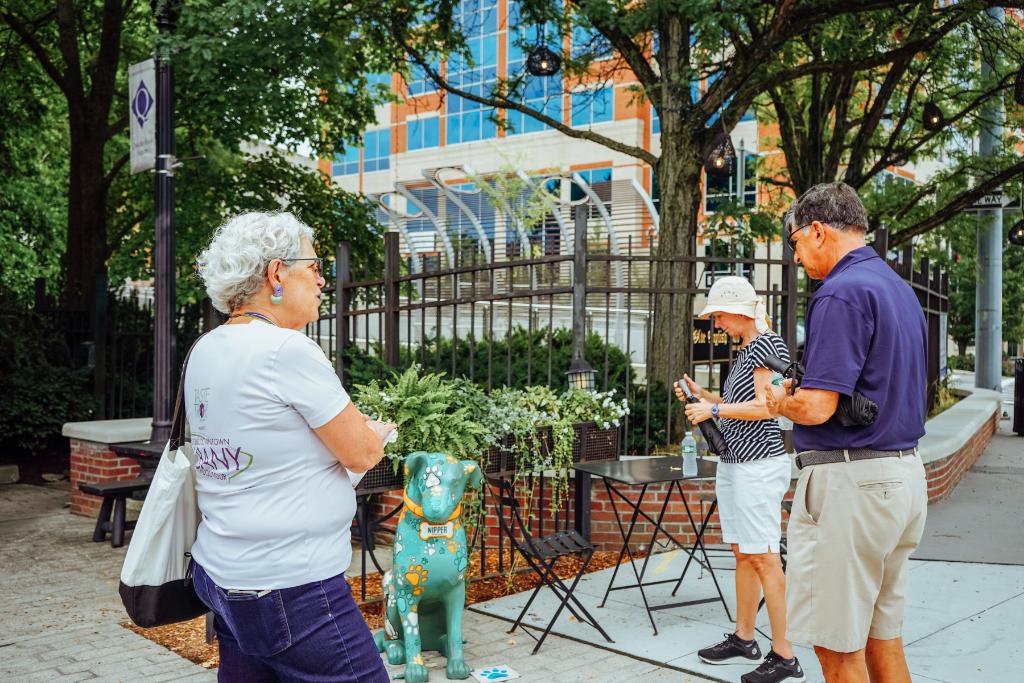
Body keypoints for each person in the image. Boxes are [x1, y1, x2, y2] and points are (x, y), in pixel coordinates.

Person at [186, 211, 395, 682]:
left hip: (222, 577)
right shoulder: (286, 350)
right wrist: (374, 432)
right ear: (277, 273)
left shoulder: (207, 347)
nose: (323, 280)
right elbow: (361, 453)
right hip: (294, 589)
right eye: (316, 268)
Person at [765, 183, 927, 683]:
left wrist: (778, 398)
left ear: (817, 230)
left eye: (794, 243)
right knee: (884, 640)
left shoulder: (839, 291)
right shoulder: (899, 290)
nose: (795, 256)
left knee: (836, 651)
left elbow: (815, 408)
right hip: (902, 478)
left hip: (850, 487)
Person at [675, 276, 804, 683]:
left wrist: (713, 413)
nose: (716, 325)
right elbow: (739, 404)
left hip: (758, 466)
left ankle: (785, 656)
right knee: (744, 553)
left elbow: (769, 410)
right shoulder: (750, 348)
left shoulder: (767, 345)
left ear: (739, 311)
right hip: (736, 464)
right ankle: (744, 638)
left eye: (718, 316)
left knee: (764, 556)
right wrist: (706, 397)